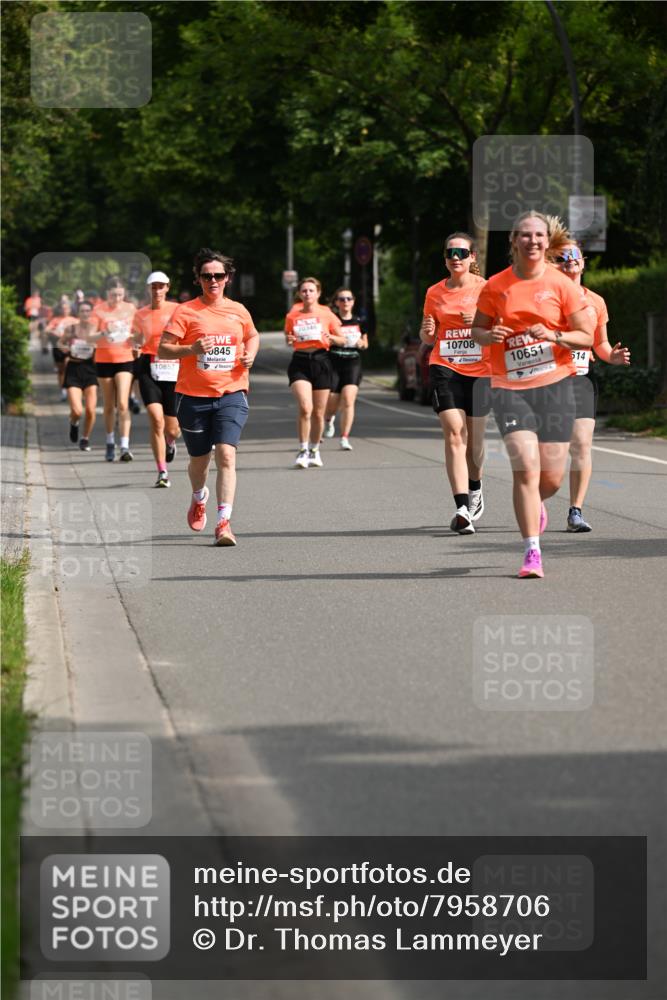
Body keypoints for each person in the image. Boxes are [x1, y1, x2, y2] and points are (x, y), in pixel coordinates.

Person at [472, 211, 594, 578]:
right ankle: (531, 552)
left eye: (539, 235)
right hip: (510, 388)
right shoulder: (495, 285)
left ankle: (536, 505)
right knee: (525, 469)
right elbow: (478, 329)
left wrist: (554, 335)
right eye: (525, 235)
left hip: (555, 385)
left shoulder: (562, 285)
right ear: (514, 241)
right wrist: (488, 336)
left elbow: (585, 336)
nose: (533, 241)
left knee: (552, 478)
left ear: (546, 240)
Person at [158, 248, 259, 545]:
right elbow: (163, 348)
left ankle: (223, 523)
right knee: (199, 462)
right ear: (198, 278)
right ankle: (198, 496)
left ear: (227, 278)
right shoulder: (185, 311)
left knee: (227, 454)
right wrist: (191, 350)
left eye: (218, 275)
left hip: (232, 391)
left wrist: (249, 355)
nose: (213, 280)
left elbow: (252, 335)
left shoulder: (238, 310)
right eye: (207, 275)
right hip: (192, 396)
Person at [549, 239, 631, 532]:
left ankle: (575, 511)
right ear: (552, 263)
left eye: (574, 255)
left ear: (583, 262)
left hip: (582, 377)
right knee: (553, 451)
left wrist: (613, 356)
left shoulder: (595, 301)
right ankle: (536, 498)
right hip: (549, 378)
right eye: (562, 256)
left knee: (581, 444)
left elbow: (601, 345)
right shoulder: (546, 299)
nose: (569, 259)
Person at [419, 233, 490, 534]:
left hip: (481, 370)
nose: (456, 257)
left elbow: (504, 327)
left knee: (474, 446)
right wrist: (427, 331)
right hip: (445, 366)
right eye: (450, 253)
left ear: (473, 257)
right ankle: (461, 506)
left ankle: (475, 489)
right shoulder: (434, 292)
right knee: (453, 432)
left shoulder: (488, 289)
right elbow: (428, 338)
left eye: (462, 252)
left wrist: (478, 321)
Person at [284, 277, 345, 468]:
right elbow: (288, 339)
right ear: (299, 294)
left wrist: (331, 337)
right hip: (300, 362)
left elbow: (342, 340)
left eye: (311, 290)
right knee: (305, 407)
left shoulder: (326, 313)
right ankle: (302, 450)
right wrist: (290, 338)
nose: (307, 294)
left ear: (318, 293)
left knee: (318, 413)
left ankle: (314, 450)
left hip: (321, 361)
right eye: (304, 291)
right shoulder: (293, 315)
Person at [132, 271, 180, 488]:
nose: (157, 290)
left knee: (173, 429)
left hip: (173, 369)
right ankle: (162, 471)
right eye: (153, 286)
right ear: (148, 289)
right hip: (148, 366)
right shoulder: (140, 314)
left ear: (167, 288)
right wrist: (135, 346)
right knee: (155, 419)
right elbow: (136, 338)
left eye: (161, 286)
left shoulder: (178, 310)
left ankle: (170, 443)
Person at [93, 276, 137, 462]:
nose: (117, 299)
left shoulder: (130, 309)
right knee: (109, 405)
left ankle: (125, 446)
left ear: (124, 293)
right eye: (113, 295)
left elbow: (138, 331)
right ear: (107, 294)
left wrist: (136, 340)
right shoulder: (99, 310)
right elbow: (89, 336)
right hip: (104, 359)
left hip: (125, 358)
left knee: (123, 403)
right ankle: (110, 442)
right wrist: (104, 333)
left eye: (120, 295)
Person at [323, 288, 369, 450]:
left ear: (353, 302)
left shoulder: (359, 321)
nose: (345, 302)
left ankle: (344, 437)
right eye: (342, 299)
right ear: (336, 302)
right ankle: (328, 419)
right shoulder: (332, 320)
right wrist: (334, 340)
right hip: (334, 362)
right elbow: (325, 340)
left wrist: (360, 344)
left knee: (349, 400)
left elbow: (365, 343)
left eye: (349, 299)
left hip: (352, 362)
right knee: (332, 401)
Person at [57, 300, 100, 451]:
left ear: (91, 313)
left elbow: (103, 345)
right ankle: (74, 423)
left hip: (89, 369)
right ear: (78, 313)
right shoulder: (71, 329)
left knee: (90, 410)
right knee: (77, 410)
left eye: (88, 311)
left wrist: (97, 347)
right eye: (82, 311)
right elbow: (60, 343)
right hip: (74, 368)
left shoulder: (95, 329)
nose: (85, 314)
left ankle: (85, 438)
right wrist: (65, 349)